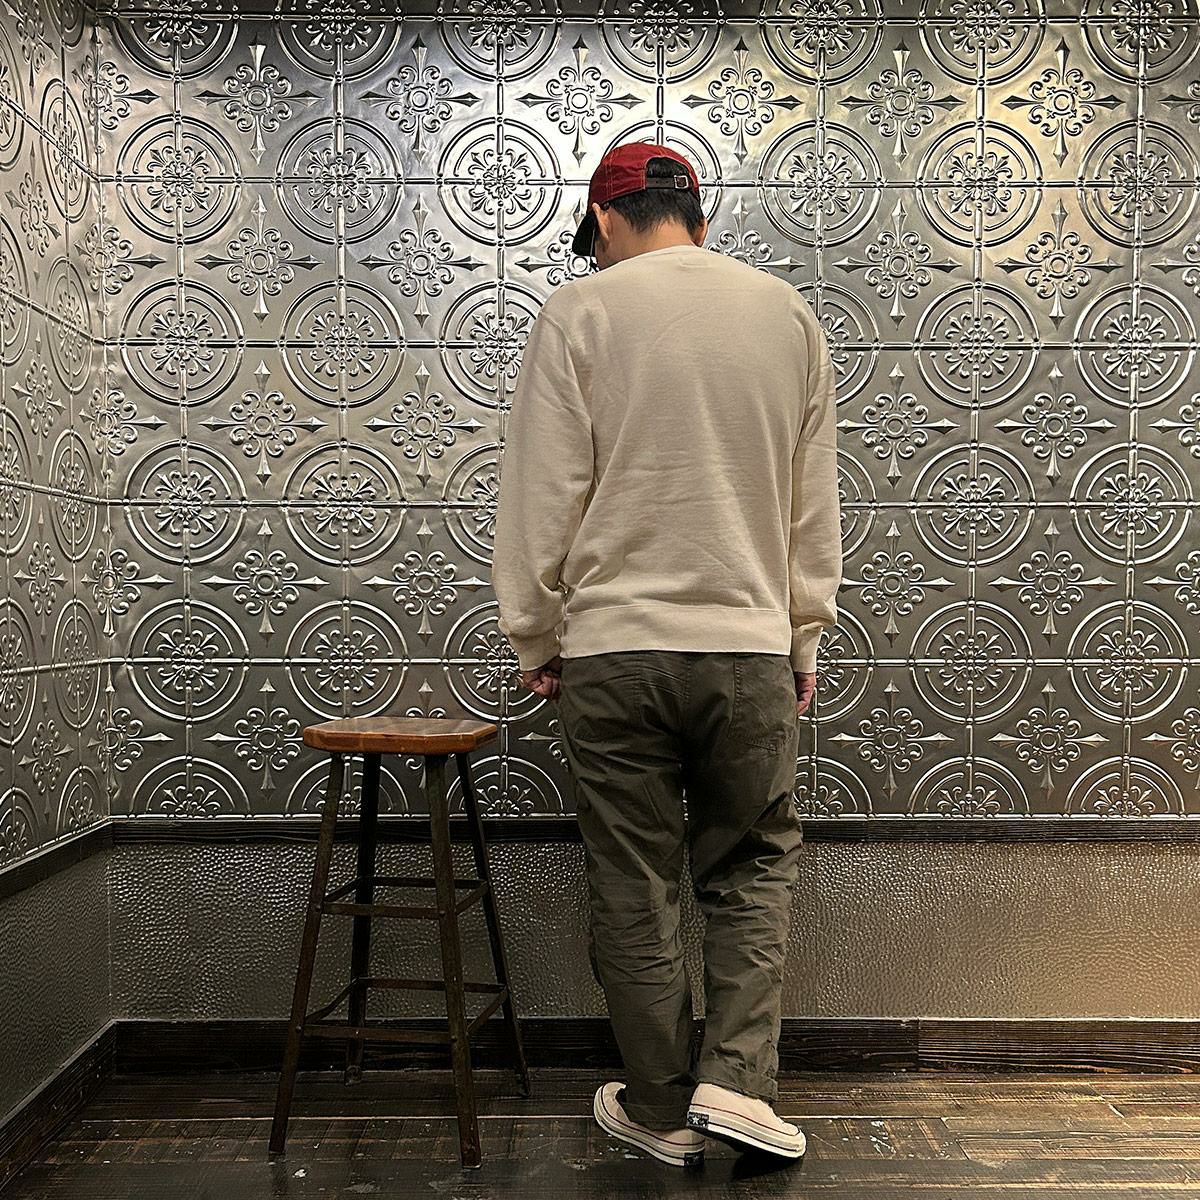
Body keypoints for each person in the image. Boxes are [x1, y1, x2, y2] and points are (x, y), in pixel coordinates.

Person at [492, 141, 842, 1169]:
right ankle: (735, 1084)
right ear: (700, 214)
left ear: (604, 220)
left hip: (614, 652)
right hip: (748, 647)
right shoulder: (785, 314)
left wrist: (536, 633)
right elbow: (811, 504)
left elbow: (543, 491)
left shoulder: (579, 312)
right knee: (751, 865)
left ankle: (657, 1107)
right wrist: (802, 634)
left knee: (634, 878)